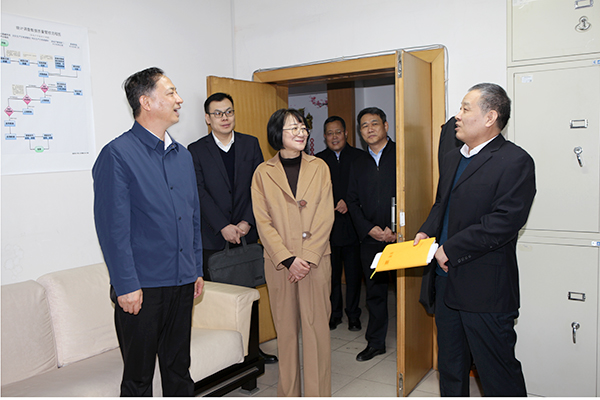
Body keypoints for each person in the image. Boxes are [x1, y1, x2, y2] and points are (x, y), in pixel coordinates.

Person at [413, 83, 536, 397]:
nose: (457, 116)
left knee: (498, 375)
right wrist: (427, 230)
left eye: (465, 108)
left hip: (485, 291)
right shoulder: (453, 158)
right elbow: (442, 204)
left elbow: (504, 222)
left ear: (490, 117)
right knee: (450, 370)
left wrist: (450, 248)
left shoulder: (515, 161)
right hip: (446, 284)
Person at [93, 67, 203, 396]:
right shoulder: (117, 154)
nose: (179, 99)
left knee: (179, 371)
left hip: (182, 280)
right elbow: (113, 229)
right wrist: (125, 284)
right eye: (170, 93)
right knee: (139, 380)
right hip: (142, 288)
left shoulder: (183, 156)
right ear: (146, 102)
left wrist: (196, 269)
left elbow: (192, 218)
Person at [187, 92, 277, 363]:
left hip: (247, 233)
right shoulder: (195, 150)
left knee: (249, 293)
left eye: (229, 112)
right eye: (218, 113)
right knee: (218, 298)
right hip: (213, 237)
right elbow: (198, 192)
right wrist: (223, 225)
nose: (224, 118)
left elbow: (259, 186)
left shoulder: (250, 144)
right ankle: (223, 357)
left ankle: (253, 351)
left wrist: (247, 221)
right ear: (207, 118)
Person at [251, 108, 334, 396]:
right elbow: (262, 222)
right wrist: (288, 259)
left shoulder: (320, 167)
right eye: (293, 128)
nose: (301, 133)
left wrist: (306, 257)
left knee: (316, 332)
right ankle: (289, 393)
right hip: (280, 264)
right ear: (278, 134)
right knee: (285, 334)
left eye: (302, 127)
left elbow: (325, 216)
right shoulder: (263, 173)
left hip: (315, 261)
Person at [346, 107, 396, 362]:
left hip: (401, 238)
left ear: (385, 126)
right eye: (364, 126)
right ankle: (376, 343)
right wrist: (369, 229)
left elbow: (414, 191)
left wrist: (396, 230)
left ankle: (416, 348)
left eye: (374, 123)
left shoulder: (401, 154)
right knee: (375, 293)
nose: (370, 129)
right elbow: (352, 202)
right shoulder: (358, 163)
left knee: (408, 293)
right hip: (370, 239)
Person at [315, 116, 364, 332]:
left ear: (346, 133)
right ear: (324, 137)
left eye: (338, 132)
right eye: (329, 133)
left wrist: (350, 203)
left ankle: (353, 315)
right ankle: (334, 314)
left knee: (353, 275)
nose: (334, 137)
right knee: (331, 275)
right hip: (328, 229)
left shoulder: (359, 158)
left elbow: (366, 190)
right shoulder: (318, 161)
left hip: (354, 227)